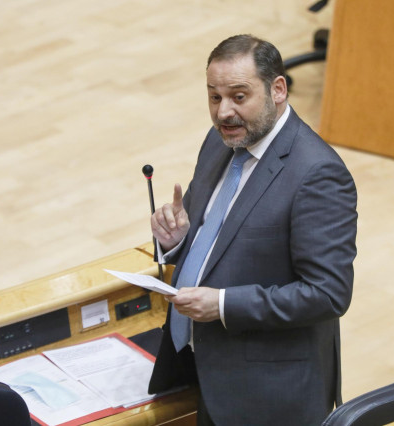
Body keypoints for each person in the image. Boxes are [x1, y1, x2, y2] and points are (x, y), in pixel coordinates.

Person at [148, 34, 358, 426]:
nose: (223, 112)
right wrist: (176, 243)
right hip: (206, 370)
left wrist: (223, 305)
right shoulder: (219, 141)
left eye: (239, 97)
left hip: (270, 396)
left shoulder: (318, 174)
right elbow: (214, 237)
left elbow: (328, 294)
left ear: (278, 89)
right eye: (214, 97)